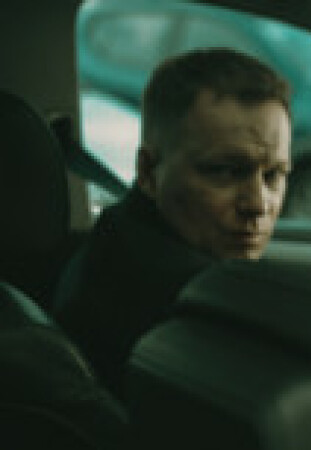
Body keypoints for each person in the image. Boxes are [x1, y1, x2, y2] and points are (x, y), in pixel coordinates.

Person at [54, 48, 292, 393]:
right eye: (224, 171)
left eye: (274, 174)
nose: (258, 204)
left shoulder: (114, 240)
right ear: (148, 172)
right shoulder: (191, 309)